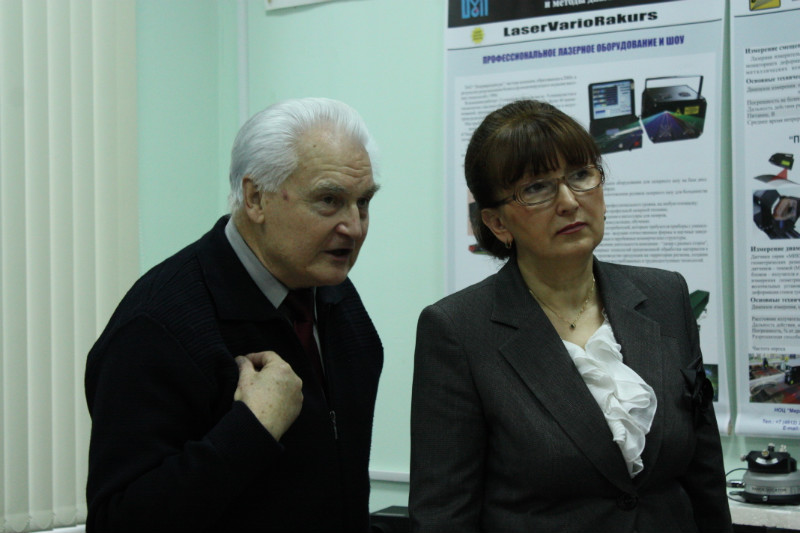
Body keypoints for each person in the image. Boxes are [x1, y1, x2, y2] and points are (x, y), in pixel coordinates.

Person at [409, 100, 732, 533]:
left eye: (580, 175)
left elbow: (704, 474)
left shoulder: (664, 295)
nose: (568, 201)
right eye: (536, 188)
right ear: (497, 223)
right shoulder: (458, 330)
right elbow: (443, 514)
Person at [85, 97, 383, 532]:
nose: (354, 227)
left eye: (363, 202)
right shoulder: (156, 325)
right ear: (256, 198)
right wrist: (251, 430)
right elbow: (119, 521)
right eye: (329, 200)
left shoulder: (335, 295)